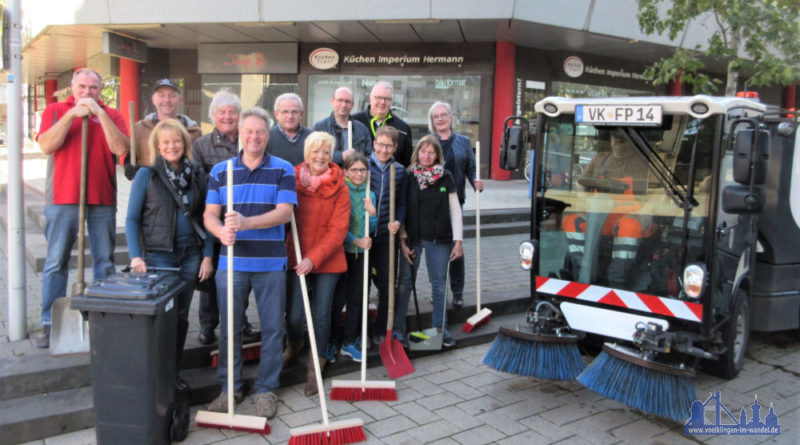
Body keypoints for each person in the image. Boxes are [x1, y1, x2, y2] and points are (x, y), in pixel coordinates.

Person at [203, 106, 296, 419]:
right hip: (232, 264)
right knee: (230, 330)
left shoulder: (283, 169)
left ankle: (266, 389)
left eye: (260, 132)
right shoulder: (220, 171)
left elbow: (285, 212)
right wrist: (220, 232)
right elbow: (209, 216)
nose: (254, 137)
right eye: (249, 131)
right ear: (239, 135)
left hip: (270, 264)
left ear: (267, 136)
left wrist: (246, 223)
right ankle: (230, 387)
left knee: (271, 329)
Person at [36, 68, 129, 348]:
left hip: (101, 197)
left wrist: (99, 115)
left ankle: (103, 316)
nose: (87, 93)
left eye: (93, 88)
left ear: (101, 91)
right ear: (72, 88)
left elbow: (121, 148)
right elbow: (46, 145)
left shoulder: (112, 115)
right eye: (82, 87)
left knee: (105, 260)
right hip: (62, 198)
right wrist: (71, 116)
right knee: (56, 262)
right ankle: (48, 322)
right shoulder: (54, 110)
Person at [125, 119, 213, 390]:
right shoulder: (146, 175)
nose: (172, 146)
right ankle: (155, 374)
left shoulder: (198, 174)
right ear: (157, 146)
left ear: (185, 143)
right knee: (162, 318)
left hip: (190, 257)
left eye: (176, 141)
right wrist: (136, 255)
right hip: (159, 258)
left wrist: (208, 255)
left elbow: (207, 218)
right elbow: (131, 219)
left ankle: (173, 373)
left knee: (181, 316)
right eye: (165, 142)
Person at [284, 131, 350, 396]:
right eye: (315, 151)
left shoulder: (340, 186)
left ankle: (316, 362)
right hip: (297, 257)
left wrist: (314, 258)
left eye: (326, 152)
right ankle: (295, 344)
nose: (320, 157)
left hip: (327, 259)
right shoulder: (291, 181)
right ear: (306, 154)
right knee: (296, 315)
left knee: (322, 315)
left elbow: (339, 230)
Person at [191, 90, 258, 345]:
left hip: (245, 219)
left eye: (233, 112)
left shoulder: (248, 140)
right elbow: (199, 185)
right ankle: (208, 325)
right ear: (213, 116)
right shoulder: (201, 145)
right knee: (212, 277)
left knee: (241, 277)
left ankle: (239, 321)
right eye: (222, 112)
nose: (228, 117)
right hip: (215, 219)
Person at [395, 135, 463, 347]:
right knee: (405, 284)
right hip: (413, 239)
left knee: (439, 285)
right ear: (418, 153)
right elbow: (402, 210)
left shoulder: (446, 176)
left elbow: (455, 210)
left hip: (439, 239)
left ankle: (439, 330)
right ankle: (398, 331)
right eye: (423, 151)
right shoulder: (408, 176)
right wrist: (403, 240)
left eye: (431, 152)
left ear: (437, 155)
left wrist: (458, 240)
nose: (426, 155)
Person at [562, 130, 652, 287]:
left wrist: (648, 209)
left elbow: (655, 193)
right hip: (599, 213)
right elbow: (581, 183)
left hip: (629, 214)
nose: (618, 140)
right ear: (610, 140)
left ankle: (617, 280)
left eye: (623, 138)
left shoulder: (644, 162)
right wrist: (582, 192)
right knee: (572, 221)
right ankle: (580, 274)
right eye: (615, 136)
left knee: (628, 227)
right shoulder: (600, 159)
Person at [428, 101, 484, 308]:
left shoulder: (463, 142)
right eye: (436, 116)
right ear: (432, 121)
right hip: (433, 204)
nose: (440, 119)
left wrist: (476, 180)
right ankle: (438, 290)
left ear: (451, 117)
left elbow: (471, 168)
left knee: (456, 249)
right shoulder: (428, 142)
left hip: (455, 202)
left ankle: (458, 291)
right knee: (437, 251)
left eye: (444, 115)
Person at [329, 153, 377, 363]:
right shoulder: (340, 192)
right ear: (346, 172)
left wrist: (373, 214)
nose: (359, 174)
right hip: (341, 253)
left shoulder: (370, 194)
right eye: (354, 170)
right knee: (337, 299)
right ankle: (331, 341)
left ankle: (349, 341)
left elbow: (372, 229)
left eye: (363, 170)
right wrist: (356, 241)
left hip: (361, 256)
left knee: (357, 299)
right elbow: (337, 227)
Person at [367, 126, 406, 346]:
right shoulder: (363, 165)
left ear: (395, 147)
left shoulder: (399, 171)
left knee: (386, 284)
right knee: (363, 285)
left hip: (386, 236)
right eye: (380, 144)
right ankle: (361, 330)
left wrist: (398, 221)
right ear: (374, 144)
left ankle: (381, 328)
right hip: (365, 235)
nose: (383, 149)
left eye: (388, 145)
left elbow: (401, 203)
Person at [124, 79, 202, 180]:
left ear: (180, 100)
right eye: (161, 95)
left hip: (183, 191)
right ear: (153, 99)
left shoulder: (193, 132)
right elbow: (130, 160)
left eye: (172, 95)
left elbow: (198, 166)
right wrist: (130, 171)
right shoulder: (139, 129)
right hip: (149, 192)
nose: (167, 100)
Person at [352, 81, 413, 167]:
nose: (382, 102)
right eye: (378, 97)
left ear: (391, 101)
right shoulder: (354, 122)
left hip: (391, 178)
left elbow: (407, 162)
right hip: (360, 178)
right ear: (370, 99)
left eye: (387, 99)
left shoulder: (403, 128)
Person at [312, 86, 371, 164]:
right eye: (340, 100)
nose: (344, 105)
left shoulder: (362, 129)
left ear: (352, 104)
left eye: (347, 101)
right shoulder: (320, 128)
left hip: (355, 175)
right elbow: (314, 155)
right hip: (329, 175)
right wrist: (341, 156)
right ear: (332, 101)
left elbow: (369, 156)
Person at [266, 92, 312, 166]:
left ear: (301, 114)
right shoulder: (266, 138)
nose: (290, 116)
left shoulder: (311, 138)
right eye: (285, 112)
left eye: (294, 112)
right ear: (276, 114)